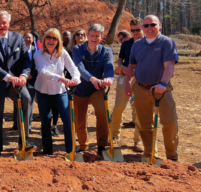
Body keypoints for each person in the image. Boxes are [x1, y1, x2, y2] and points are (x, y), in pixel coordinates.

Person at [0, 10, 35, 156]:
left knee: (26, 99)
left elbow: (26, 60)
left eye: (4, 22)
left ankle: (24, 142)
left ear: (9, 23)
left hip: (16, 83)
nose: (1, 25)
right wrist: (7, 77)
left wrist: (24, 75)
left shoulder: (18, 38)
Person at [125, 15, 179, 161]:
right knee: (144, 124)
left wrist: (163, 83)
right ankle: (149, 153)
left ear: (159, 25)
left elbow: (170, 66)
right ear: (143, 27)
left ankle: (172, 156)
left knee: (170, 122)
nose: (149, 28)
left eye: (152, 25)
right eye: (146, 25)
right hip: (141, 88)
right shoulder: (137, 45)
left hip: (162, 89)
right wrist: (127, 84)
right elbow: (131, 66)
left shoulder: (167, 42)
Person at [34, 28, 81, 155]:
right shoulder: (38, 54)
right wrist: (61, 78)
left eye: (54, 38)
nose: (51, 40)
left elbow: (72, 68)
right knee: (46, 120)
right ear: (44, 39)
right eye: (49, 37)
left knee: (67, 119)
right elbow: (42, 72)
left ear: (58, 41)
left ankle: (71, 150)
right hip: (43, 91)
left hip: (60, 91)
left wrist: (75, 78)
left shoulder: (63, 53)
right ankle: (47, 150)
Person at [72, 24, 114, 156]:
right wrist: (92, 79)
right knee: (80, 118)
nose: (94, 38)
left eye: (97, 35)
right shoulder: (77, 49)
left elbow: (109, 67)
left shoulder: (106, 51)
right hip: (80, 88)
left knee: (102, 113)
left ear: (101, 37)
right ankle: (83, 145)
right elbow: (79, 68)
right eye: (92, 35)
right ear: (87, 36)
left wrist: (108, 77)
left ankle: (101, 145)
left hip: (97, 89)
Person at [111, 18, 144, 152]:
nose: (135, 32)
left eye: (138, 29)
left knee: (140, 110)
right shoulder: (127, 44)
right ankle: (113, 135)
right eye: (133, 30)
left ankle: (138, 141)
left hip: (142, 80)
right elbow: (120, 59)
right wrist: (121, 66)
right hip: (125, 78)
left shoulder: (148, 43)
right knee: (118, 107)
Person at [12, 32, 38, 132]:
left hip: (31, 80)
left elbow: (38, 66)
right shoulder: (18, 50)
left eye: (29, 38)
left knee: (30, 102)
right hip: (19, 79)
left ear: (32, 39)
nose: (27, 39)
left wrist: (32, 75)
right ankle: (16, 123)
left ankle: (28, 124)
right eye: (25, 37)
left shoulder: (36, 51)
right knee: (17, 100)